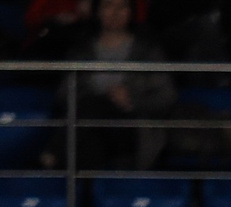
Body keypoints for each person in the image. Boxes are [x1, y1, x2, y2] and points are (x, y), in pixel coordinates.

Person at [47, 0, 175, 172]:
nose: (114, 12)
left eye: (121, 7)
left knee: (93, 112)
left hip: (132, 126)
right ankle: (91, 192)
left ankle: (53, 154)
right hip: (91, 129)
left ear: (130, 12)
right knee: (93, 132)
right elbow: (63, 95)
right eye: (108, 6)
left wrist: (132, 100)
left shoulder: (147, 51)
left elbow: (167, 96)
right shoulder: (82, 51)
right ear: (98, 12)